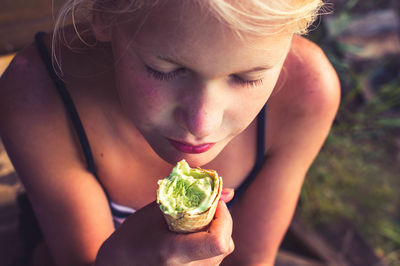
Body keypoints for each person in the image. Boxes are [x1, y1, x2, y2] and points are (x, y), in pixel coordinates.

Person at [0, 0, 340, 265]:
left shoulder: (307, 92)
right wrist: (119, 260)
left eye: (248, 77)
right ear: (105, 12)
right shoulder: (38, 94)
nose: (201, 125)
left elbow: (251, 259)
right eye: (165, 70)